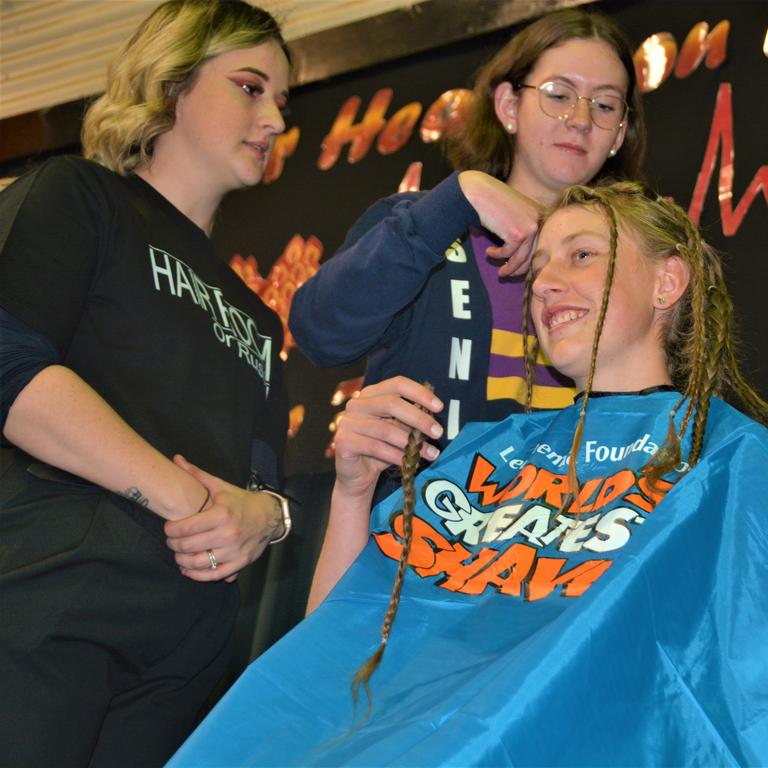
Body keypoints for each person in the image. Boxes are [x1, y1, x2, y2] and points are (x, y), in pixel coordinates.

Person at [167, 181, 768, 767]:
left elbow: (735, 693)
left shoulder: (729, 457)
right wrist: (354, 491)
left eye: (582, 256)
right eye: (538, 273)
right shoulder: (491, 451)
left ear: (668, 281)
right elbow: (332, 641)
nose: (547, 285)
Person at [0, 1, 292, 765]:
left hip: (183, 661)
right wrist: (179, 495)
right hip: (45, 604)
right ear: (171, 83)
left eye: (283, 101)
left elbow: (264, 487)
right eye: (251, 87)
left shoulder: (257, 317)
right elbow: (9, 365)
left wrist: (265, 519)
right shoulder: (78, 196)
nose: (274, 120)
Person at [288, 7, 646, 454]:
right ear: (508, 107)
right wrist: (460, 197)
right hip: (421, 519)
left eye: (605, 105)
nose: (580, 119)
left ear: (619, 133)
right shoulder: (425, 224)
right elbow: (318, 332)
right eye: (558, 95)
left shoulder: (638, 262)